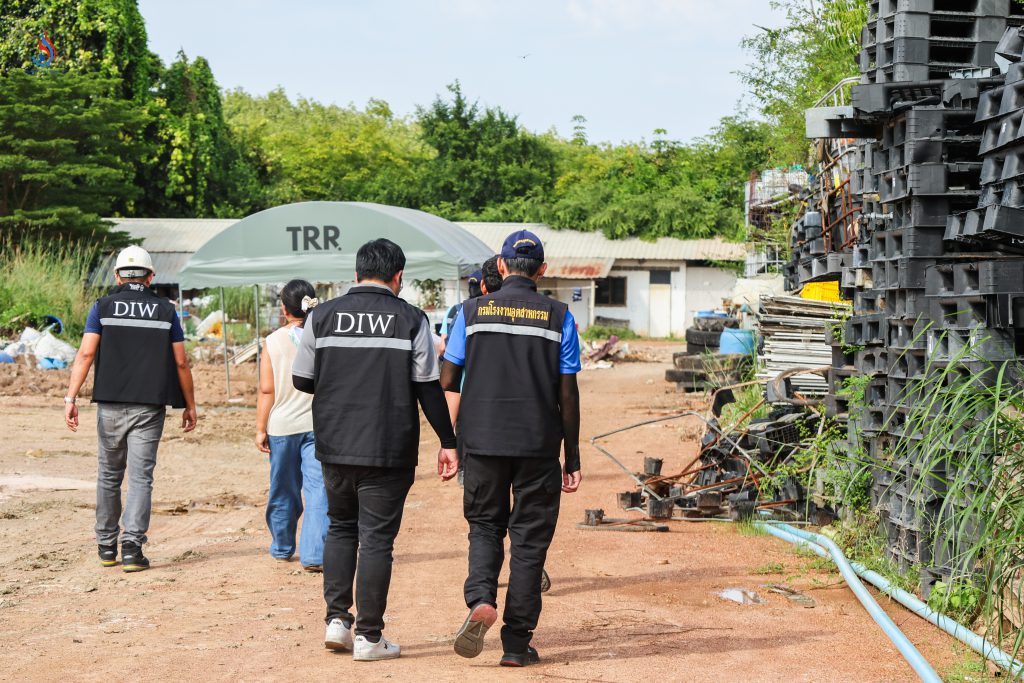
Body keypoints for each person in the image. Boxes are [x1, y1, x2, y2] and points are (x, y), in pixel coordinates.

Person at [291, 238, 459, 662]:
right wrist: (448, 440)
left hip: (334, 444)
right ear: (398, 276)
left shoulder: (321, 316)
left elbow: (302, 380)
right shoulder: (411, 319)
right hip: (388, 448)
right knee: (377, 540)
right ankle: (369, 637)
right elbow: (428, 387)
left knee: (341, 528)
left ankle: (337, 622)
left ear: (356, 273)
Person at [441, 230, 582, 667]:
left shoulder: (471, 312)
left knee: (484, 525)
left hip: (481, 442)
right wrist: (571, 456)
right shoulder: (560, 317)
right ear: (542, 270)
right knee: (529, 542)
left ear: (500, 267)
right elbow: (569, 394)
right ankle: (517, 645)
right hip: (538, 445)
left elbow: (447, 379)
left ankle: (481, 597)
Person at [63, 246, 197, 573]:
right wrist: (190, 405)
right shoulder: (166, 310)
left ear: (117, 275)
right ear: (151, 277)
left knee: (109, 475)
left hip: (109, 404)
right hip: (149, 407)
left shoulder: (102, 307)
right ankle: (132, 549)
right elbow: (180, 361)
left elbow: (84, 355)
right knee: (140, 478)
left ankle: (106, 546)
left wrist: (71, 397)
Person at [255, 279, 328, 572]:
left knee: (283, 489)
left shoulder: (272, 341)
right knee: (318, 490)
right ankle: (314, 554)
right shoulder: (323, 337)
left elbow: (266, 390)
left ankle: (283, 547)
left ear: (284, 309)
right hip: (318, 425)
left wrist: (260, 428)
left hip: (282, 426)